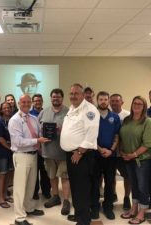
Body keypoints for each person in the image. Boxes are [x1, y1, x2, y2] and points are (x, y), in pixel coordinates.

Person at [60, 83, 100, 225]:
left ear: (83, 95)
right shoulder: (72, 108)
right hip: (71, 155)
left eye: (76, 93)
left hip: (81, 156)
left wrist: (79, 152)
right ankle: (79, 215)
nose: (73, 96)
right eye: (71, 93)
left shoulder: (90, 110)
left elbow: (91, 135)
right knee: (76, 188)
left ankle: (83, 220)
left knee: (82, 189)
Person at [8, 95, 50, 225]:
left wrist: (49, 133)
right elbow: (18, 141)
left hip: (33, 155)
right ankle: (19, 217)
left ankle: (29, 208)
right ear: (19, 103)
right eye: (23, 102)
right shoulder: (14, 120)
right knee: (20, 187)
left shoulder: (33, 118)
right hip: (21, 155)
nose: (26, 104)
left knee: (31, 185)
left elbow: (39, 133)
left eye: (28, 102)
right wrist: (37, 140)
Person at [119, 96, 151, 225]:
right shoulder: (126, 120)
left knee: (142, 186)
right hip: (128, 159)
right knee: (134, 185)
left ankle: (142, 212)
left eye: (140, 104)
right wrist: (123, 152)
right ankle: (134, 208)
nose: (137, 105)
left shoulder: (147, 121)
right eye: (135, 103)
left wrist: (133, 154)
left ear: (144, 106)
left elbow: (148, 144)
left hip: (142, 160)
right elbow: (122, 137)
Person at [38, 88, 71, 215]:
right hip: (48, 152)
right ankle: (55, 196)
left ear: (62, 98)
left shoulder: (68, 112)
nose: (55, 99)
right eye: (53, 97)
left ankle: (66, 201)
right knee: (51, 176)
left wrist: (62, 130)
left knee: (65, 177)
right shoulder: (43, 112)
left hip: (63, 152)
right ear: (50, 98)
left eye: (58, 97)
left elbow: (73, 130)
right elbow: (38, 129)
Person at [91, 91, 121, 220]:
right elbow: (90, 135)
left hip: (111, 155)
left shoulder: (114, 117)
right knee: (95, 182)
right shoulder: (91, 116)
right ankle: (95, 207)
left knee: (110, 182)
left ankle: (108, 207)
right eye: (101, 99)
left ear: (108, 101)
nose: (103, 101)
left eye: (105, 99)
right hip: (95, 155)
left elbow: (117, 135)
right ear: (97, 101)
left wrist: (111, 150)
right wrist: (99, 149)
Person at [110, 93, 131, 210]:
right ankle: (113, 194)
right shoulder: (107, 115)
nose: (114, 103)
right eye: (112, 101)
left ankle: (127, 197)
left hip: (124, 153)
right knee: (110, 175)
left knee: (127, 176)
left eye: (117, 101)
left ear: (122, 102)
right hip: (111, 153)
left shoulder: (128, 115)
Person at [30, 94, 51, 200]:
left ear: (42, 101)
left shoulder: (47, 112)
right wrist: (38, 146)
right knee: (34, 172)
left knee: (45, 171)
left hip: (46, 147)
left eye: (40, 100)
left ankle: (46, 191)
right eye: (36, 101)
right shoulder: (29, 115)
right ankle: (34, 192)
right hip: (34, 148)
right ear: (32, 102)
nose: (38, 102)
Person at [0, 102, 14, 208]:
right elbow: (0, 139)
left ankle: (6, 195)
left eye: (9, 107)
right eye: (4, 108)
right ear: (1, 110)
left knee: (9, 173)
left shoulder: (12, 120)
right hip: (2, 152)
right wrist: (10, 148)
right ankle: (1, 198)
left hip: (11, 151)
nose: (7, 109)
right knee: (2, 174)